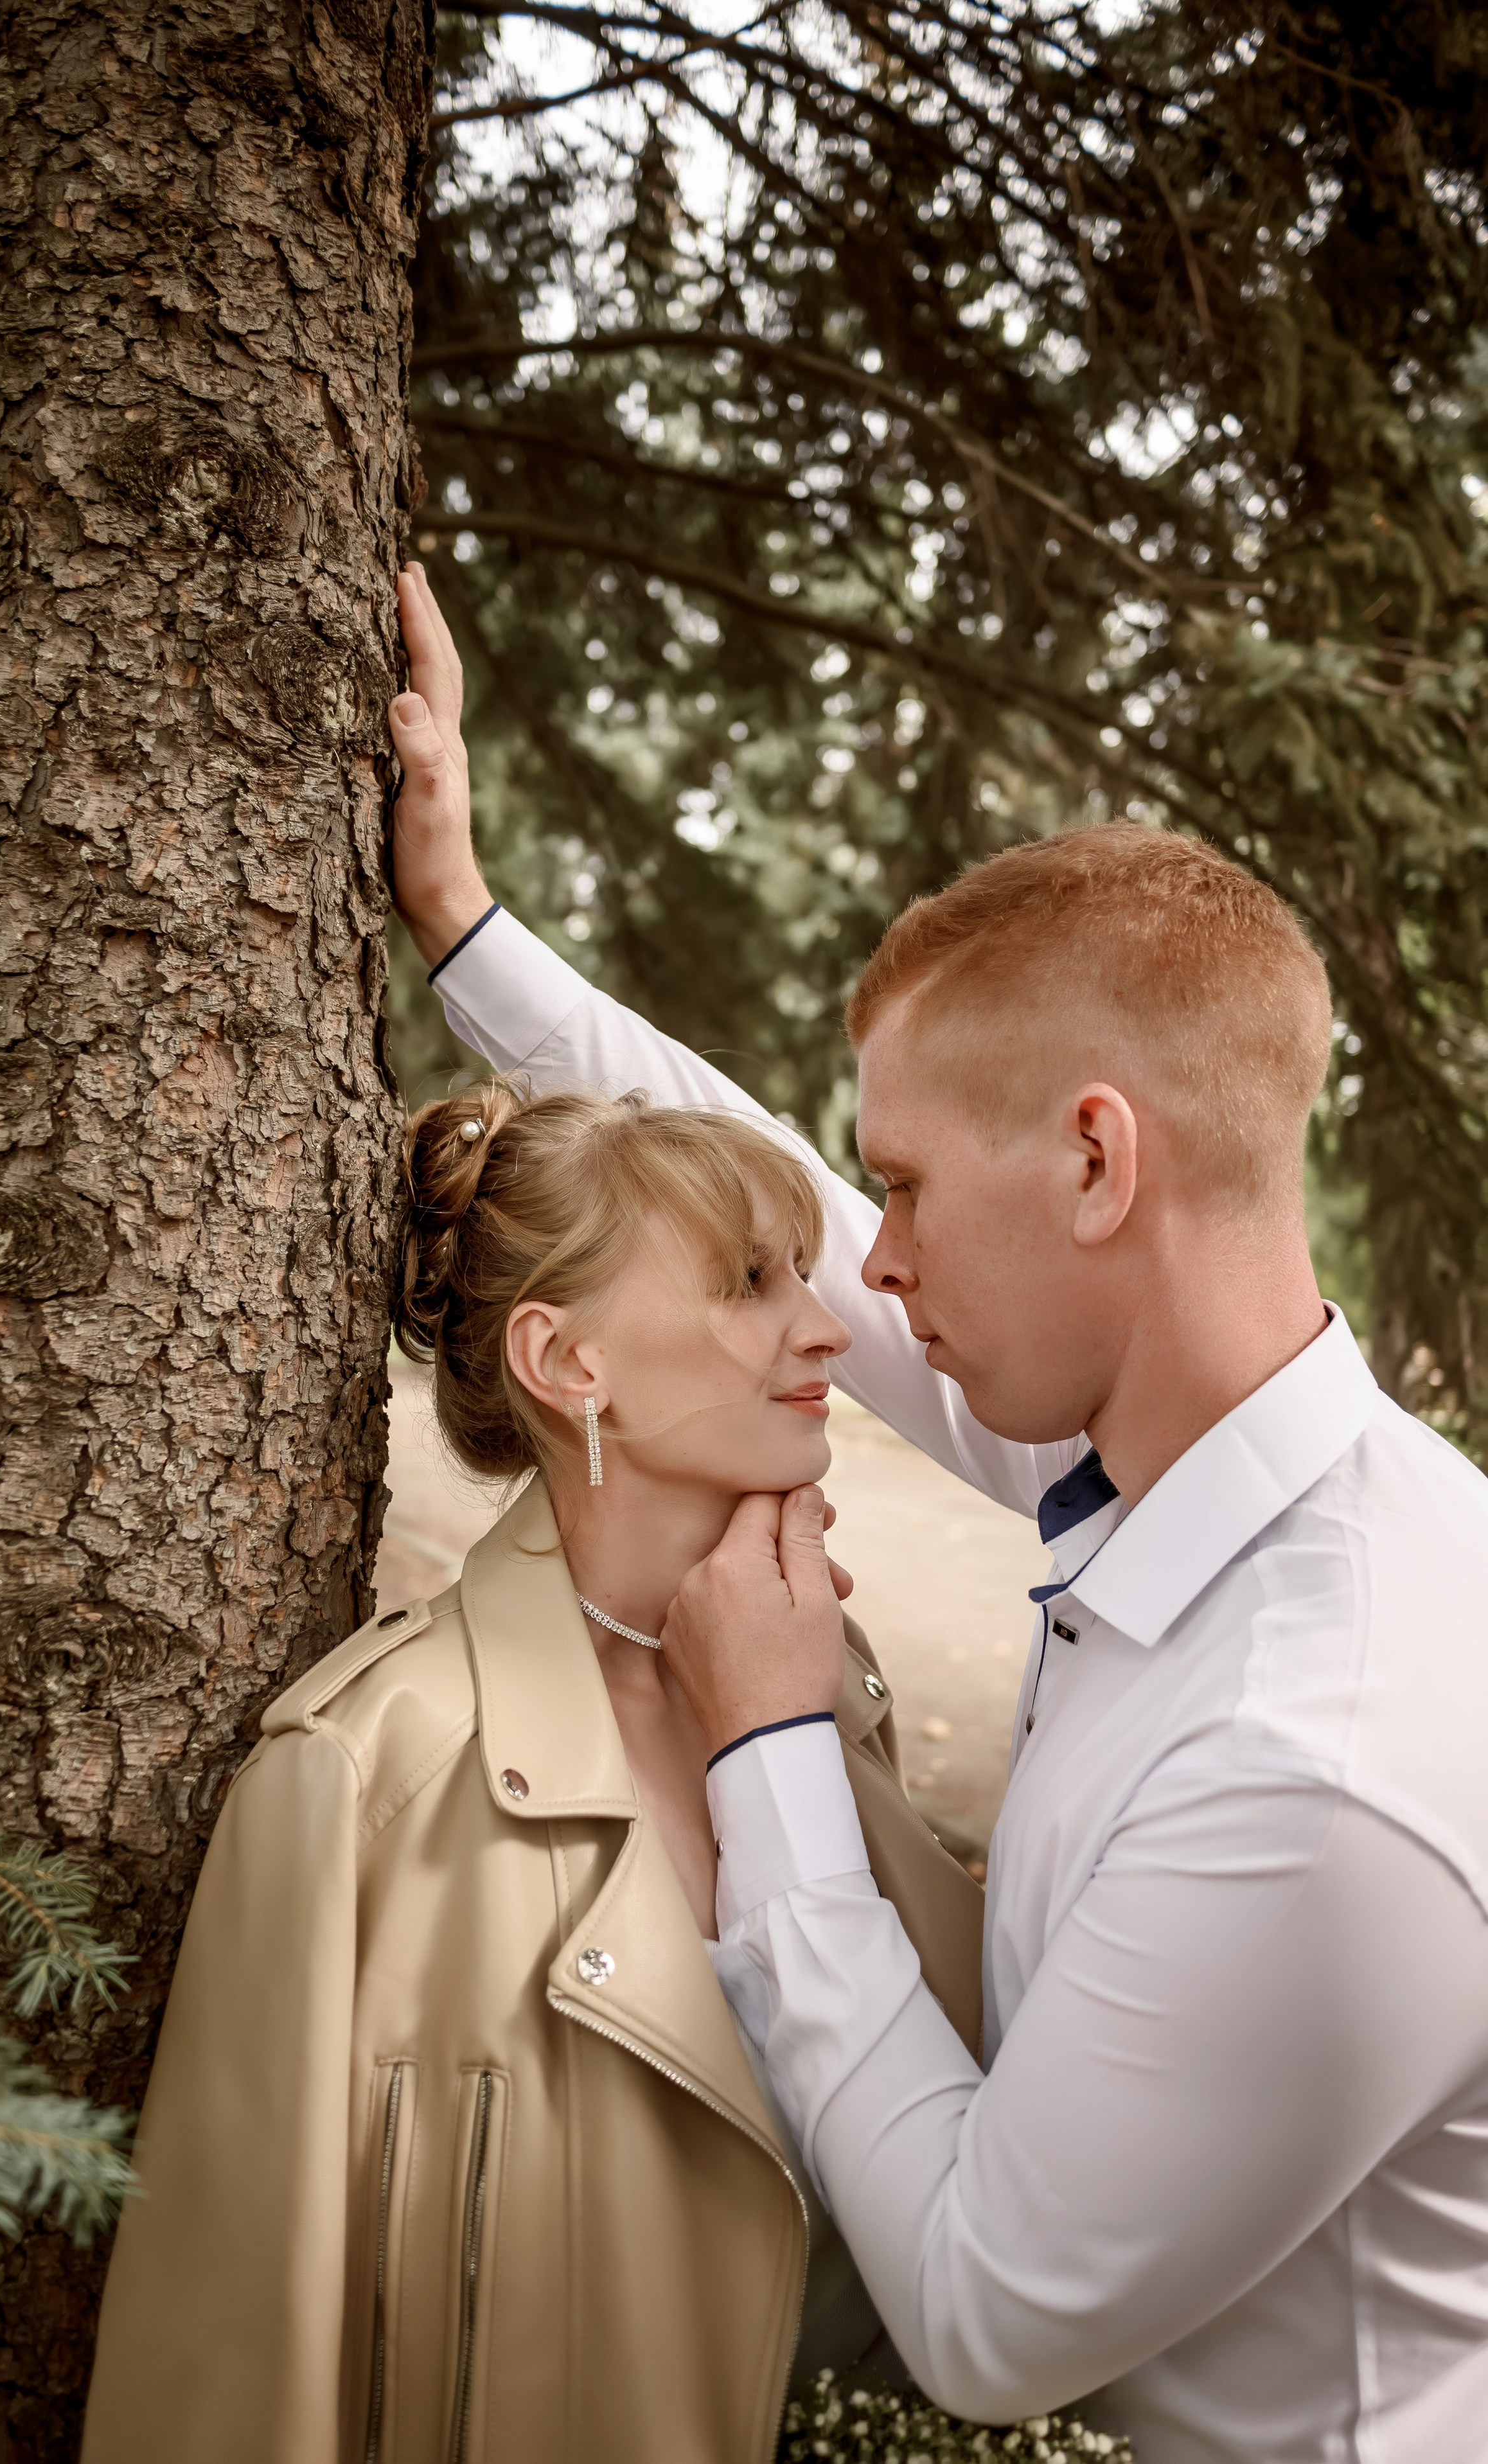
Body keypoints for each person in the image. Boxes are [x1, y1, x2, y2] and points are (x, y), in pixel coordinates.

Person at [385, 561, 1488, 2463]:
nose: (867, 1266)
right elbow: (777, 1195)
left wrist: (776, 1749)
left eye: (906, 1188)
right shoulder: (1174, 1436)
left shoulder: (1318, 1755)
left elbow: (989, 2314)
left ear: (1091, 1161)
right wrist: (466, 928)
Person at [80, 1079, 986, 2464]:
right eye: (751, 1282)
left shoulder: (827, 1694)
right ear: (568, 1363)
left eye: (801, 1273)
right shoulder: (358, 1780)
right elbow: (220, 2386)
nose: (824, 1325)